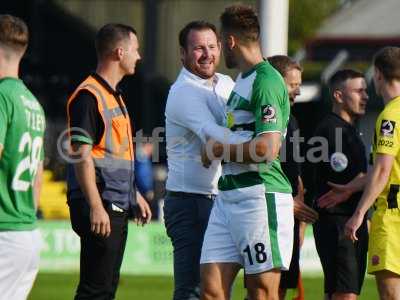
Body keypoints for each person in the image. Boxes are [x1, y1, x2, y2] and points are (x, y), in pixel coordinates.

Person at [200, 5, 294, 300]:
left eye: (219, 44)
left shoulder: (266, 80)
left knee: (261, 293)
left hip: (259, 197)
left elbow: (267, 149)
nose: (217, 54)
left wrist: (219, 148)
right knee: (211, 290)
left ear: (230, 42)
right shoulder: (242, 79)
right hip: (228, 196)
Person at [66, 23, 151, 299]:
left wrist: (133, 194)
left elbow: (113, 156)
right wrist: (95, 206)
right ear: (119, 52)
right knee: (96, 290)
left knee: (106, 288)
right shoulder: (89, 96)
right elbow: (82, 156)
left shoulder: (113, 95)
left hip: (115, 200)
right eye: (135, 50)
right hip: (101, 203)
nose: (138, 56)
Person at [164, 20, 236, 300]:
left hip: (221, 198)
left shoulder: (227, 83)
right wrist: (262, 143)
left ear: (220, 47)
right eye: (198, 48)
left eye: (211, 46)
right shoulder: (183, 91)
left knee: (219, 290)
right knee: (193, 290)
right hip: (190, 202)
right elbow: (218, 138)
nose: (206, 54)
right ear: (182, 54)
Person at [326, 47, 400, 299]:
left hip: (392, 218)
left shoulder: (390, 117)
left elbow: (382, 171)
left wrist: (358, 214)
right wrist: (350, 188)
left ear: (378, 74)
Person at [311, 69, 369, 300]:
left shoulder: (347, 130)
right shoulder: (333, 131)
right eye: (358, 91)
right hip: (340, 222)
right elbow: (342, 180)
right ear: (338, 95)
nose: (365, 96)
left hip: (345, 222)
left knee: (338, 291)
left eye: (366, 90)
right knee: (345, 294)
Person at [0, 14, 45, 300]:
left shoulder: (2, 95)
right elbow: (38, 173)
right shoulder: (33, 103)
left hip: (3, 231)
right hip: (27, 232)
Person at [268, 55, 318, 300]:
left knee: (281, 288)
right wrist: (289, 205)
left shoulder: (293, 120)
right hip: (269, 214)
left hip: (290, 217)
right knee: (264, 288)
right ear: (276, 82)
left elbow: (293, 173)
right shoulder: (266, 120)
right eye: (293, 84)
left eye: (299, 84)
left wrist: (299, 222)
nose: (298, 91)